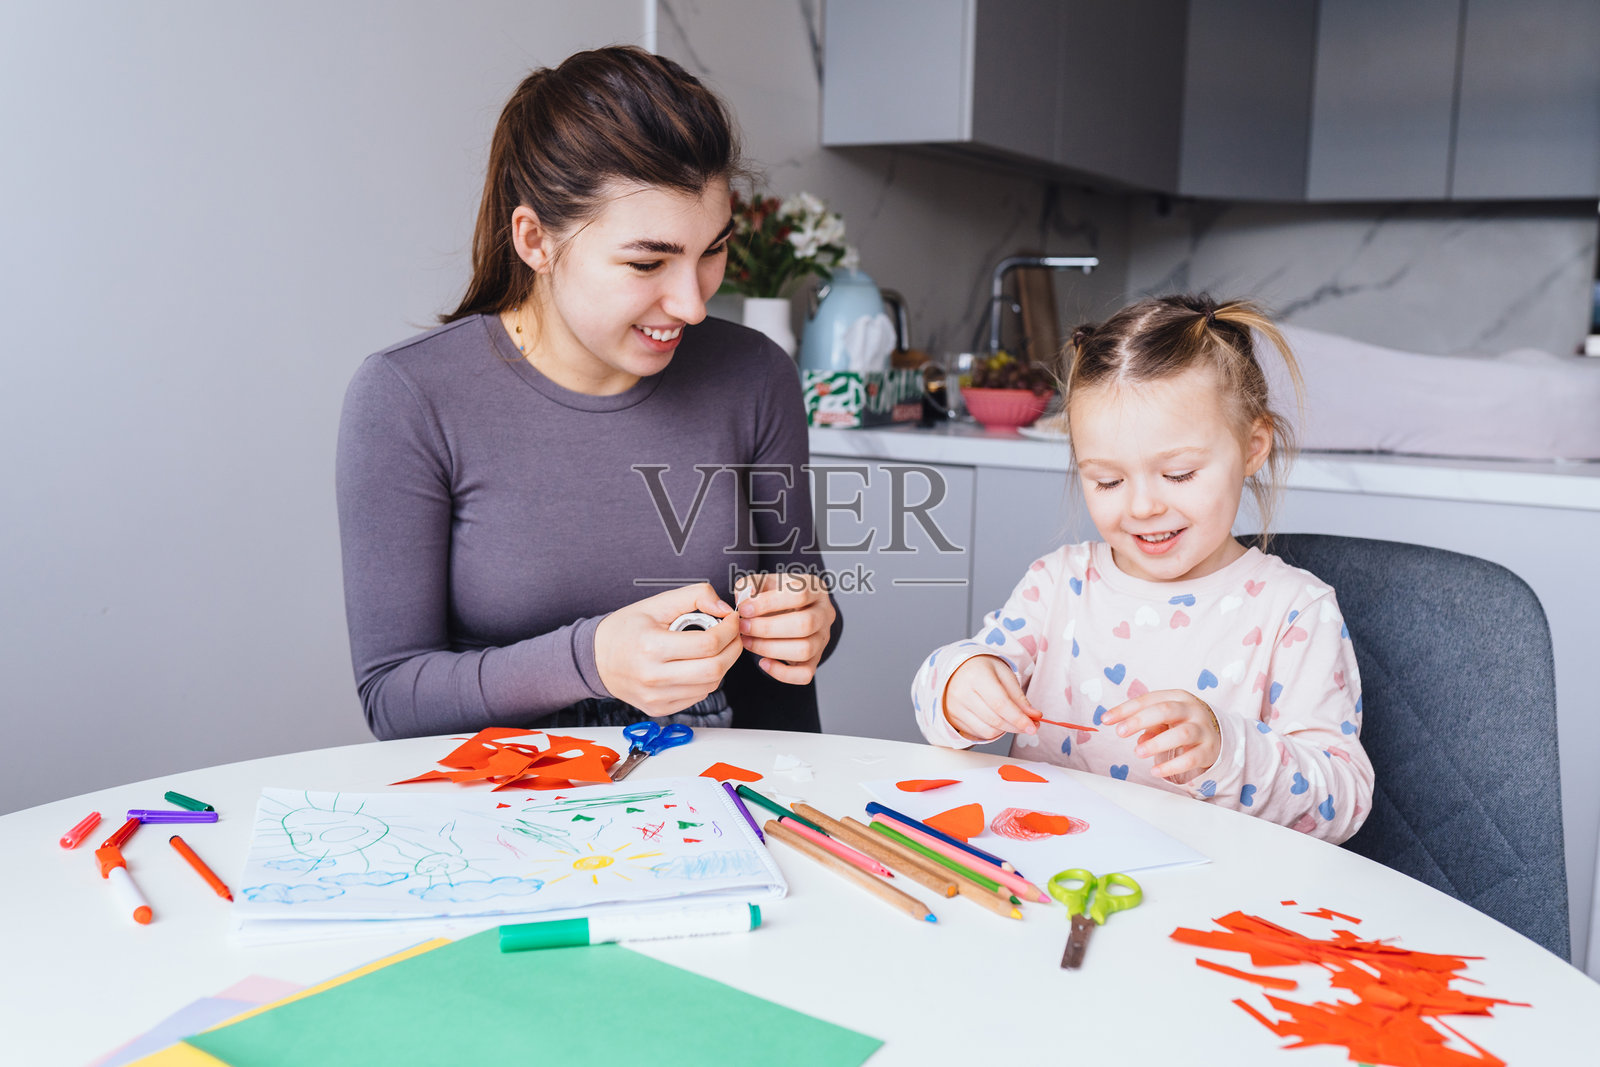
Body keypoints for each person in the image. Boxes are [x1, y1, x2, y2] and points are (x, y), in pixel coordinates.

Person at [336, 46, 840, 740]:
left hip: (717, 799)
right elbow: (394, 696)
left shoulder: (756, 377)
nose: (693, 306)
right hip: (499, 813)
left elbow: (799, 633)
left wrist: (810, 624)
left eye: (713, 250)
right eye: (647, 261)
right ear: (536, 240)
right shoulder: (408, 398)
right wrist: (591, 659)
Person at [910, 295, 1373, 844]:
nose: (1143, 506)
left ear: (1252, 447)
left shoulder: (1293, 611)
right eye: (1107, 481)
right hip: (1050, 870)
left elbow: (1342, 803)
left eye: (1178, 474)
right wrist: (959, 684)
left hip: (1213, 889)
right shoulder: (1058, 584)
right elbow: (941, 695)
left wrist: (1228, 749)